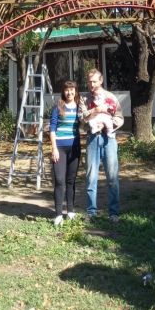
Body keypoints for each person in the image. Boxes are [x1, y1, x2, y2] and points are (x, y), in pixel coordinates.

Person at [83, 68, 124, 222]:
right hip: (92, 139)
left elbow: (119, 117)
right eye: (89, 81)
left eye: (94, 81)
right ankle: (91, 212)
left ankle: (113, 213)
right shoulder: (85, 99)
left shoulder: (110, 97)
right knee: (91, 176)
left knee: (112, 176)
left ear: (101, 80)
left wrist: (108, 125)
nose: (91, 84)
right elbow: (82, 119)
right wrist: (94, 112)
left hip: (109, 139)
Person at [49, 79, 82, 226]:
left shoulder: (80, 107)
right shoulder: (58, 106)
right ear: (63, 91)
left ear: (75, 91)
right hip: (60, 148)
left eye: (72, 89)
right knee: (60, 181)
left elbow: (86, 121)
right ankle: (58, 214)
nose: (69, 92)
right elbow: (52, 128)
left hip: (74, 148)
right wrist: (54, 148)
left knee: (71, 181)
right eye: (67, 90)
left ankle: (70, 211)